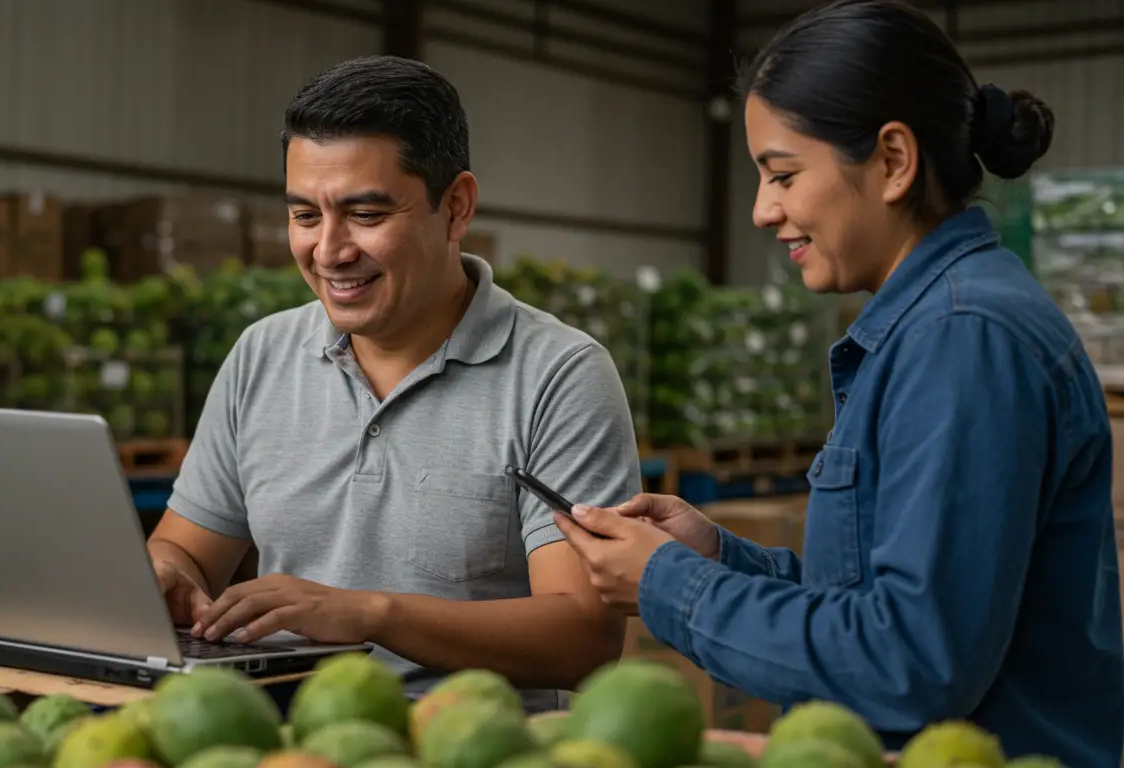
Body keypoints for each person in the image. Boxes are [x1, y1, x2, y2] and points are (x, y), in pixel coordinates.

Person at [553, 0, 1123, 764]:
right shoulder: (937, 324)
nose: (763, 211)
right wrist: (718, 556)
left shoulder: (962, 338)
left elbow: (911, 663)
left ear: (893, 161)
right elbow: (881, 598)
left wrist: (668, 587)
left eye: (783, 175)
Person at [145, 54, 639, 711]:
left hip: (470, 747)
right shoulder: (263, 354)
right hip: (282, 739)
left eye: (366, 215)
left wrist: (373, 614)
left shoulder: (558, 376)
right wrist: (167, 573)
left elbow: (584, 635)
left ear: (456, 207)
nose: (329, 250)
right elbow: (185, 547)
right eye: (305, 216)